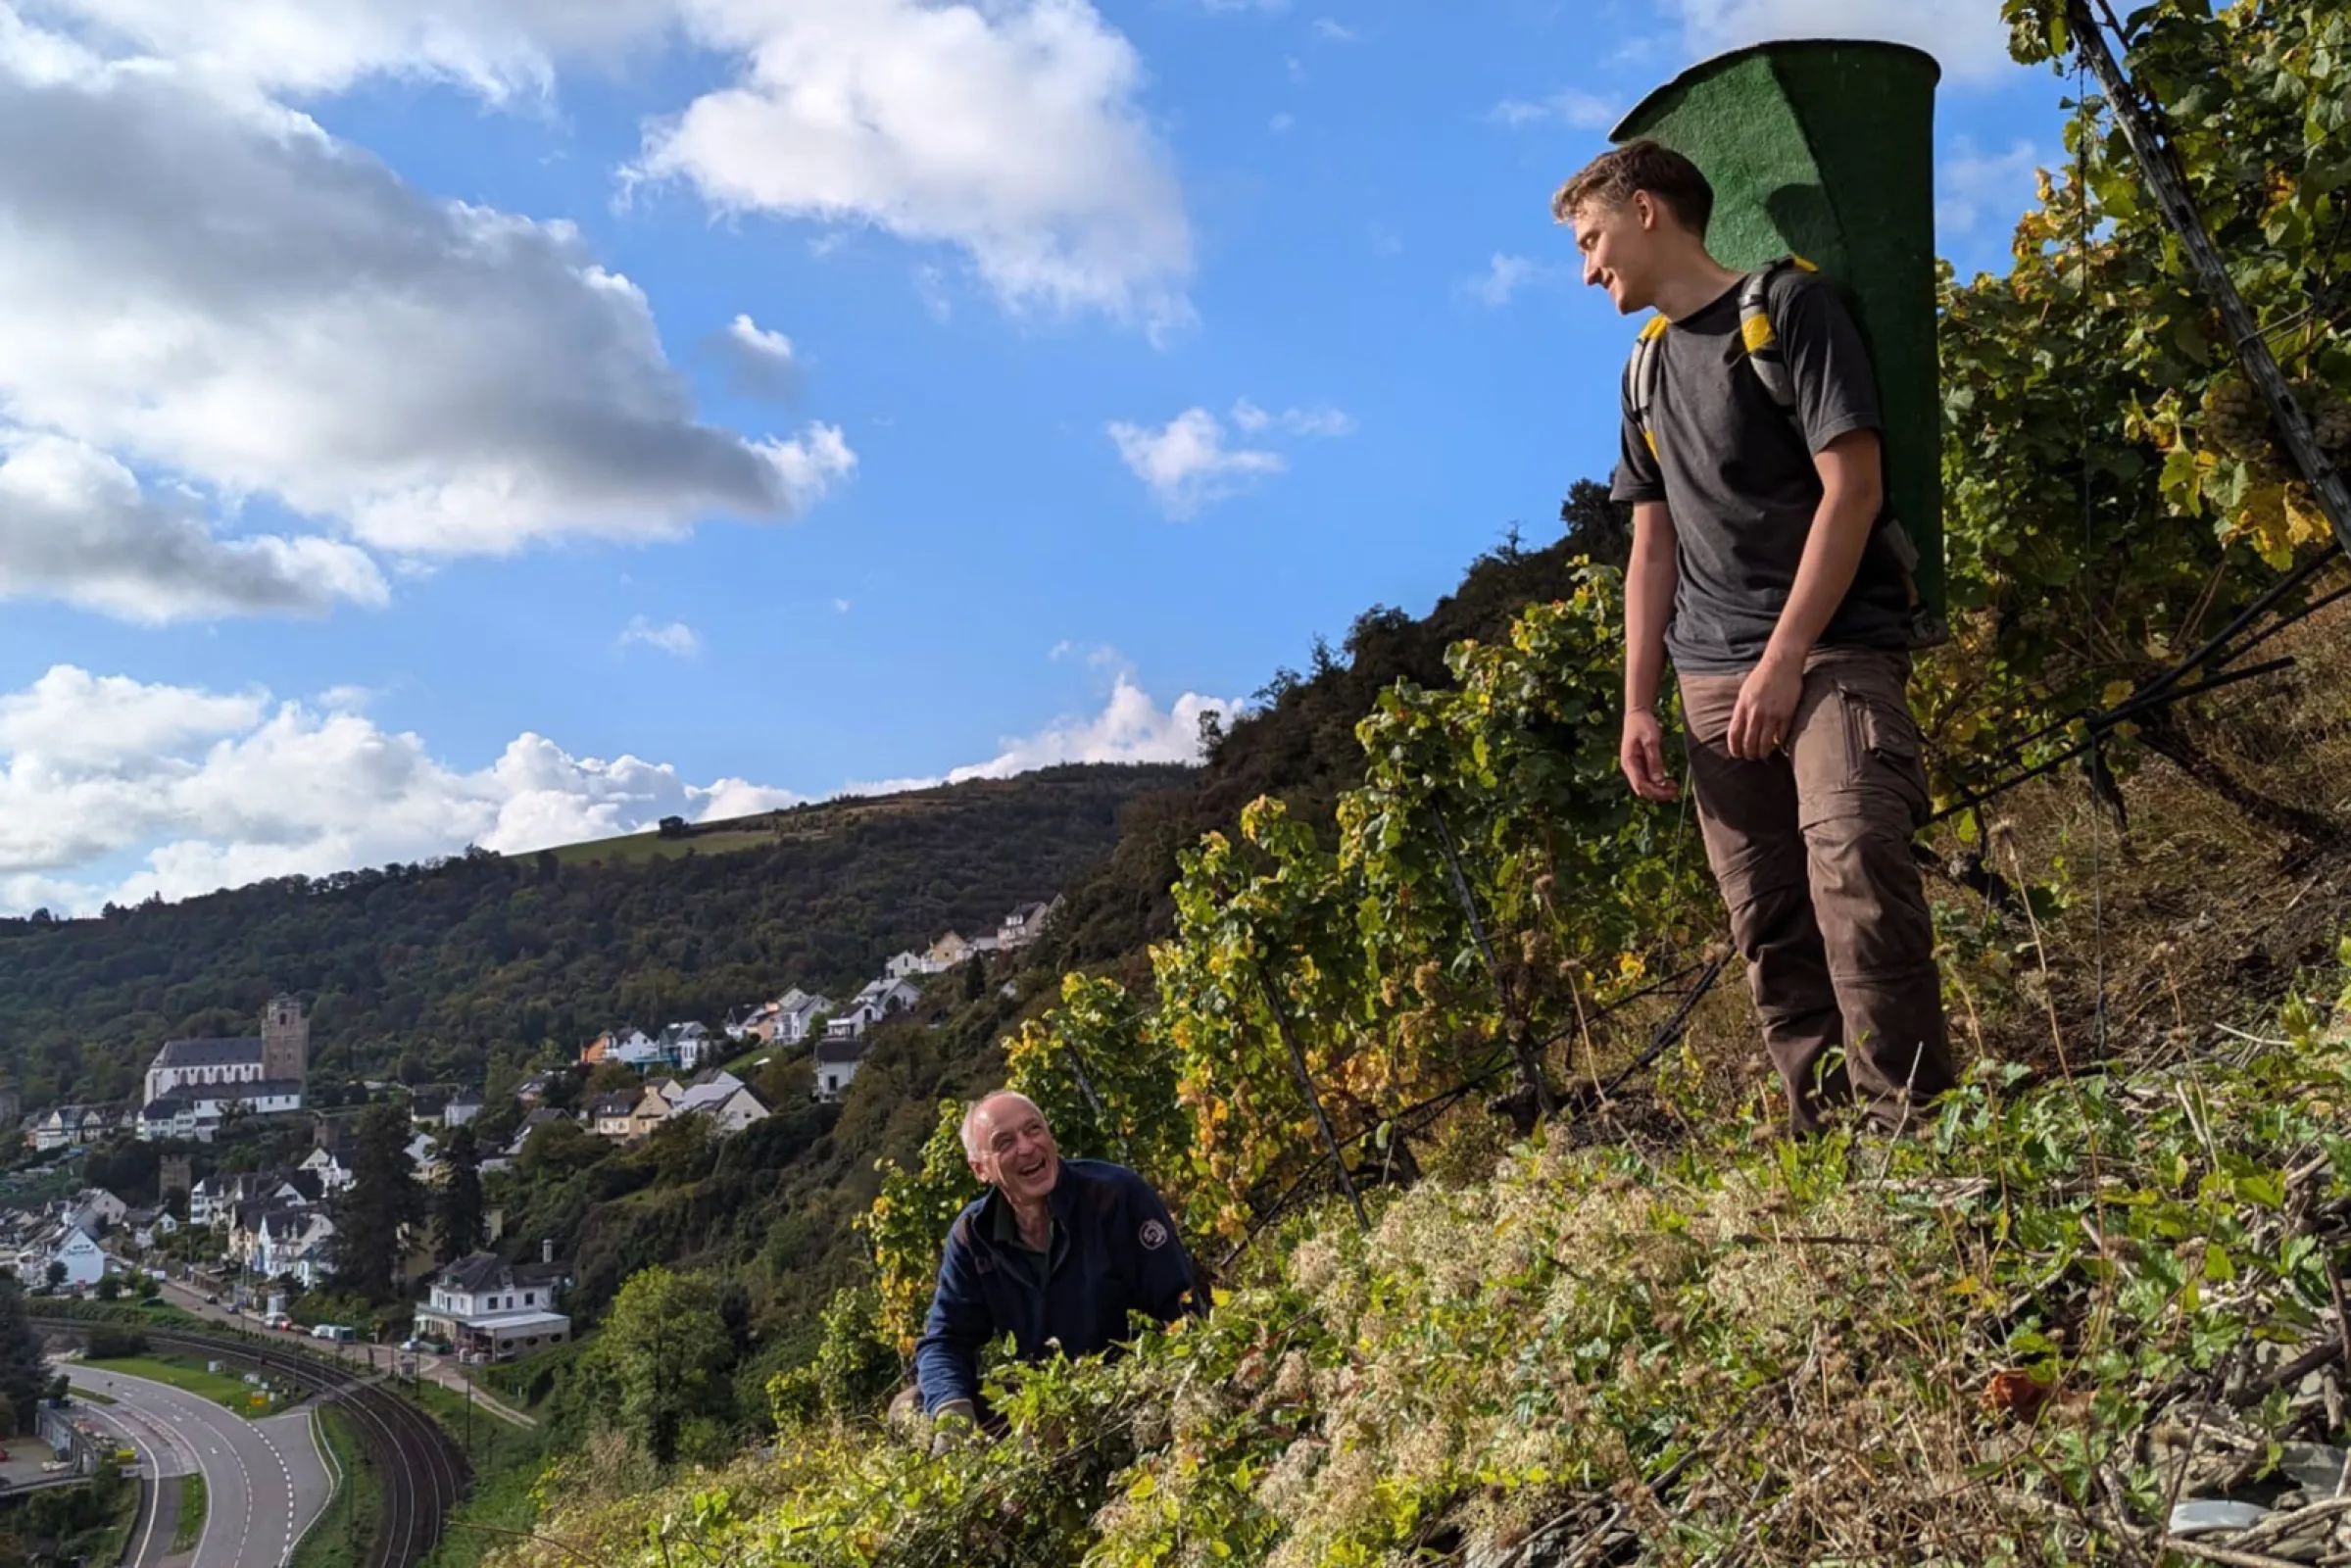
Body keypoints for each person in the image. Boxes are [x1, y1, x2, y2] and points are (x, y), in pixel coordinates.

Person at [1555, 139, 1955, 1136]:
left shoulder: (1788, 311)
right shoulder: (1641, 371)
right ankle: (1822, 1146)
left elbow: (1851, 489)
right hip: (1702, 674)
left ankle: (1910, 1141)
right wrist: (1637, 704)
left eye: (1592, 239)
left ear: (1646, 211)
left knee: (1855, 871)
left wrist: (1779, 663)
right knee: (1768, 920)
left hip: (1829, 653)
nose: (1587, 268)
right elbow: (1650, 547)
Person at [911, 1091, 1196, 1432]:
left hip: (1133, 1387)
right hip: (1044, 1401)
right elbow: (945, 1341)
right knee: (913, 1404)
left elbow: (1181, 1304)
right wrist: (951, 1415)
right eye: (1004, 1142)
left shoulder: (1116, 1197)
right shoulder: (974, 1236)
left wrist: (1162, 1389)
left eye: (1034, 1130)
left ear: (1050, 1136)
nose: (1027, 1147)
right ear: (980, 1169)